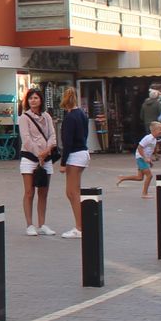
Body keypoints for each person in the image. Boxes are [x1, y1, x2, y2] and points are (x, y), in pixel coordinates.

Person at [16, 88, 58, 236]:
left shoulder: (47, 117)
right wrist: (38, 153)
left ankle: (43, 223)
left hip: (46, 158)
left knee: (43, 192)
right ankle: (29, 224)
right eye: (30, 98)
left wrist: (46, 151)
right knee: (29, 192)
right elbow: (26, 139)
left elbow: (53, 135)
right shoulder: (24, 118)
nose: (33, 101)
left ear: (41, 100)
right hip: (29, 157)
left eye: (36, 98)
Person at [58, 87, 91, 239]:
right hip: (83, 152)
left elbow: (67, 142)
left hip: (74, 155)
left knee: (72, 192)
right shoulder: (82, 114)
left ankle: (80, 227)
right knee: (73, 191)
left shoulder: (70, 117)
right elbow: (85, 133)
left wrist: (63, 163)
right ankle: (82, 224)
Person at [116, 121, 161, 197]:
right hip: (141, 158)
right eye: (160, 129)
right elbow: (140, 147)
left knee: (140, 177)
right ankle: (144, 193)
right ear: (154, 130)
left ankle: (123, 178)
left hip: (143, 158)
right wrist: (145, 158)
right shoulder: (148, 138)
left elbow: (149, 150)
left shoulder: (154, 140)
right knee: (149, 176)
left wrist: (150, 159)